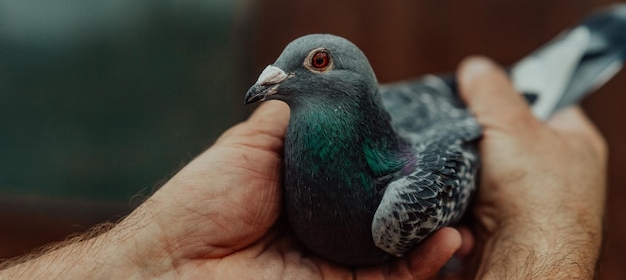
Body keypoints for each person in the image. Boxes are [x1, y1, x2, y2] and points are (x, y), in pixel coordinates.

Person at [0, 57, 607, 280]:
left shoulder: (407, 198)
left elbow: (448, 129)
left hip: (453, 115)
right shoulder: (292, 135)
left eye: (313, 63)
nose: (276, 76)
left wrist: (535, 224)